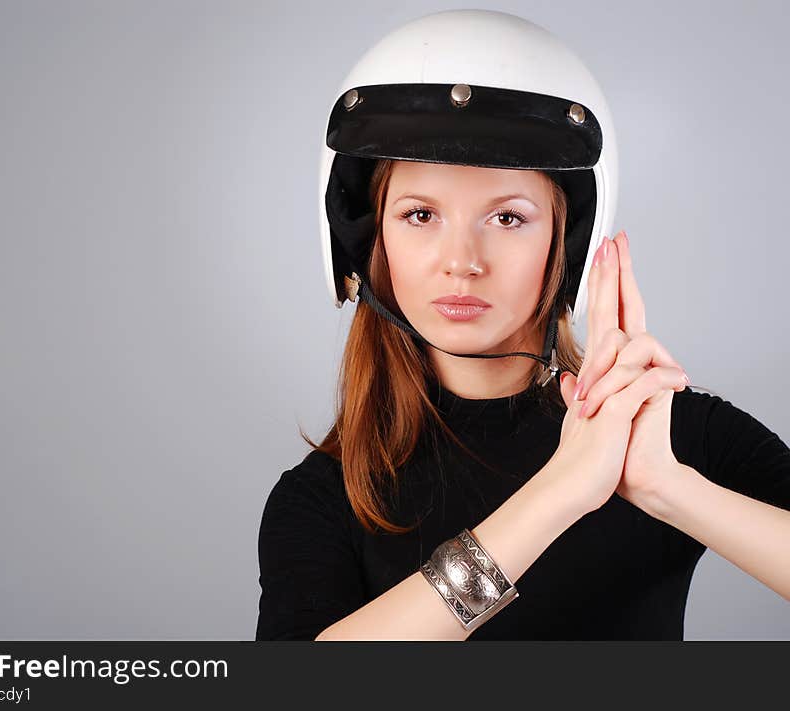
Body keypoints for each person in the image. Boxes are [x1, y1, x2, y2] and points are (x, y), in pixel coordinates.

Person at [255, 9, 790, 641]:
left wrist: (665, 486)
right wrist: (560, 493)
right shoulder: (324, 495)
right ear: (372, 242)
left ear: (565, 244)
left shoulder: (665, 432)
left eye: (507, 218)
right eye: (420, 214)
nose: (462, 262)